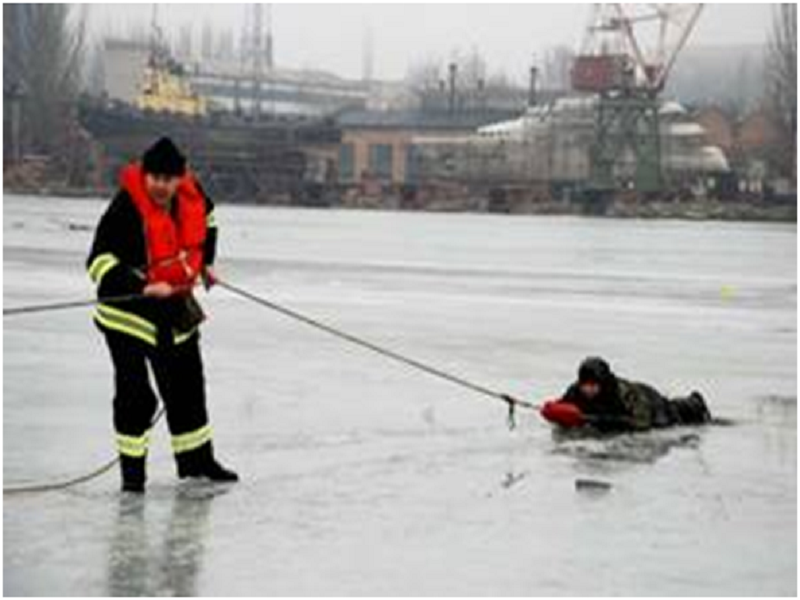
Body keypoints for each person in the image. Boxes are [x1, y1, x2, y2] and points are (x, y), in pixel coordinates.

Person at [86, 136, 238, 492]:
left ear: (179, 178)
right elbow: (98, 262)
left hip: (173, 306)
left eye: (167, 180)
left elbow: (209, 219)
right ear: (145, 175)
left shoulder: (191, 195)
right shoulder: (125, 208)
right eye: (153, 178)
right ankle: (133, 478)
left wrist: (206, 264)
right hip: (128, 316)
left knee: (187, 388)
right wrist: (141, 286)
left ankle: (198, 463)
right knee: (135, 396)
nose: (159, 186)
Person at [541, 356, 711, 433]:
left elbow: (641, 423)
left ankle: (695, 402)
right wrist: (552, 410)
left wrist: (595, 420)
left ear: (602, 382)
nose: (588, 390)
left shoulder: (623, 393)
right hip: (624, 409)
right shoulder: (575, 390)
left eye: (593, 385)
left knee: (667, 418)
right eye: (585, 385)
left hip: (650, 401)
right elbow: (563, 406)